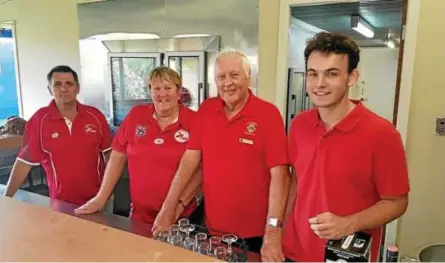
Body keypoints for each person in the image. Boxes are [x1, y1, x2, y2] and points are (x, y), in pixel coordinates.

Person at [152, 49, 290, 262]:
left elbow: (280, 176)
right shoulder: (207, 110)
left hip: (255, 233)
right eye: (221, 77)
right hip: (212, 230)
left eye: (234, 75)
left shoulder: (268, 114)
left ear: (248, 76)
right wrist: (168, 208)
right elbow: (190, 161)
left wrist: (273, 232)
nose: (228, 83)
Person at [283, 32, 410, 262]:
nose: (319, 84)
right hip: (295, 250)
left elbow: (397, 202)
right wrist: (280, 230)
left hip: (345, 255)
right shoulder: (300, 124)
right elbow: (296, 180)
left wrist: (348, 224)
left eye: (331, 74)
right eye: (313, 74)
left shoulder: (382, 134)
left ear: (352, 77)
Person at [74, 66, 203, 225]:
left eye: (168, 88)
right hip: (140, 212)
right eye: (156, 88)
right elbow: (117, 158)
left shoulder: (196, 121)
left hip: (182, 215)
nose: (162, 93)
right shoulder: (136, 116)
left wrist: (175, 208)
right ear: (150, 91)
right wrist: (101, 198)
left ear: (178, 91)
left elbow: (200, 170)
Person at [4, 65, 112, 206]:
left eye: (69, 84)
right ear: (50, 89)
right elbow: (24, 162)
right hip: (61, 202)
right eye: (57, 84)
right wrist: (6, 198)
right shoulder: (39, 120)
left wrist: (108, 192)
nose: (63, 88)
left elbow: (110, 155)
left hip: (98, 199)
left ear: (78, 88)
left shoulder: (95, 116)